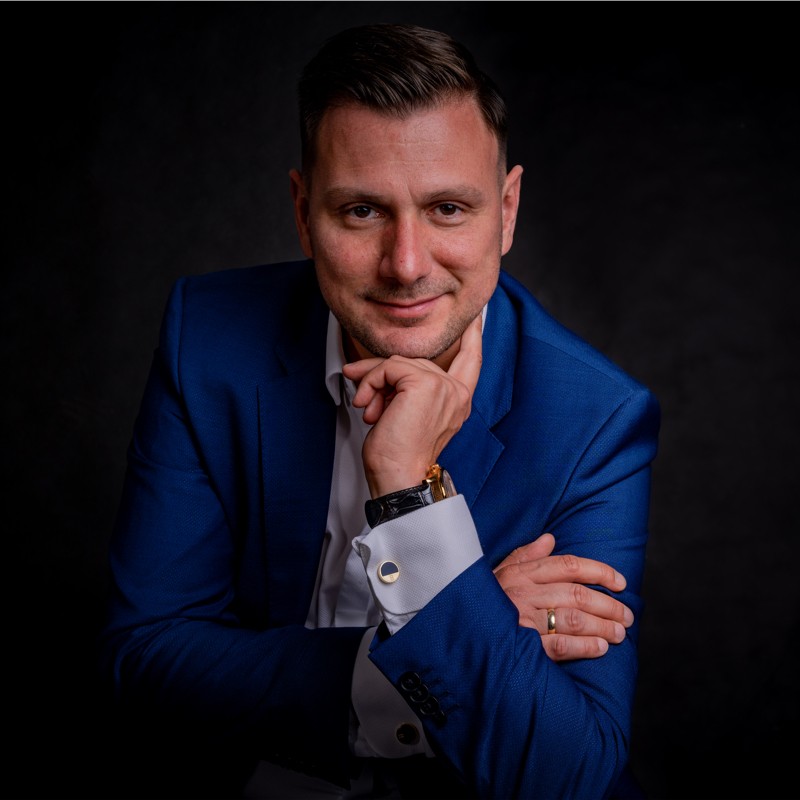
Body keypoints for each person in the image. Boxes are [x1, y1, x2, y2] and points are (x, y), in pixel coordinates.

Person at [99, 22, 660, 800]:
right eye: (362, 211)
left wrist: (406, 487)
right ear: (304, 212)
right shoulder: (210, 340)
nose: (405, 265)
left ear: (507, 210)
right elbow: (145, 659)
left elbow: (566, 774)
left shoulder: (596, 419)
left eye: (448, 208)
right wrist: (457, 629)